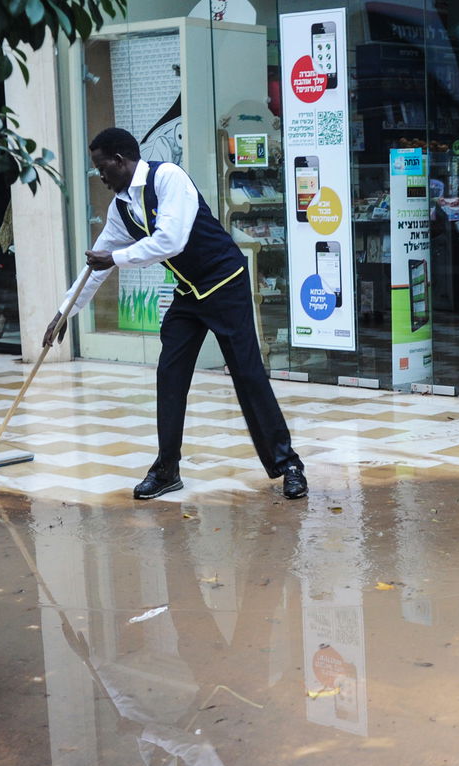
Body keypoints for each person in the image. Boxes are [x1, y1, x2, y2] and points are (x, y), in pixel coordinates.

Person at [44, 127, 307, 500]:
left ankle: (289, 465)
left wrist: (115, 258)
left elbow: (170, 240)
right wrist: (64, 312)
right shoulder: (120, 206)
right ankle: (167, 468)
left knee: (247, 374)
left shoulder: (167, 177)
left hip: (224, 281)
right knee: (169, 374)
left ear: (120, 161)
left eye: (102, 168)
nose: (100, 177)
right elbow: (96, 265)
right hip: (189, 293)